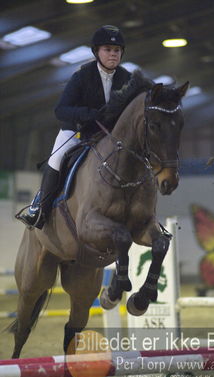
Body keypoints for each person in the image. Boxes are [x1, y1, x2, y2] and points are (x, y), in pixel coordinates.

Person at [18, 25, 131, 229]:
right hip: (79, 130)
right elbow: (61, 110)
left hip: (110, 135)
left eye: (117, 50)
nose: (113, 54)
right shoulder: (82, 76)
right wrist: (89, 115)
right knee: (58, 158)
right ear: (97, 52)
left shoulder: (126, 79)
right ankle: (39, 208)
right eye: (108, 50)